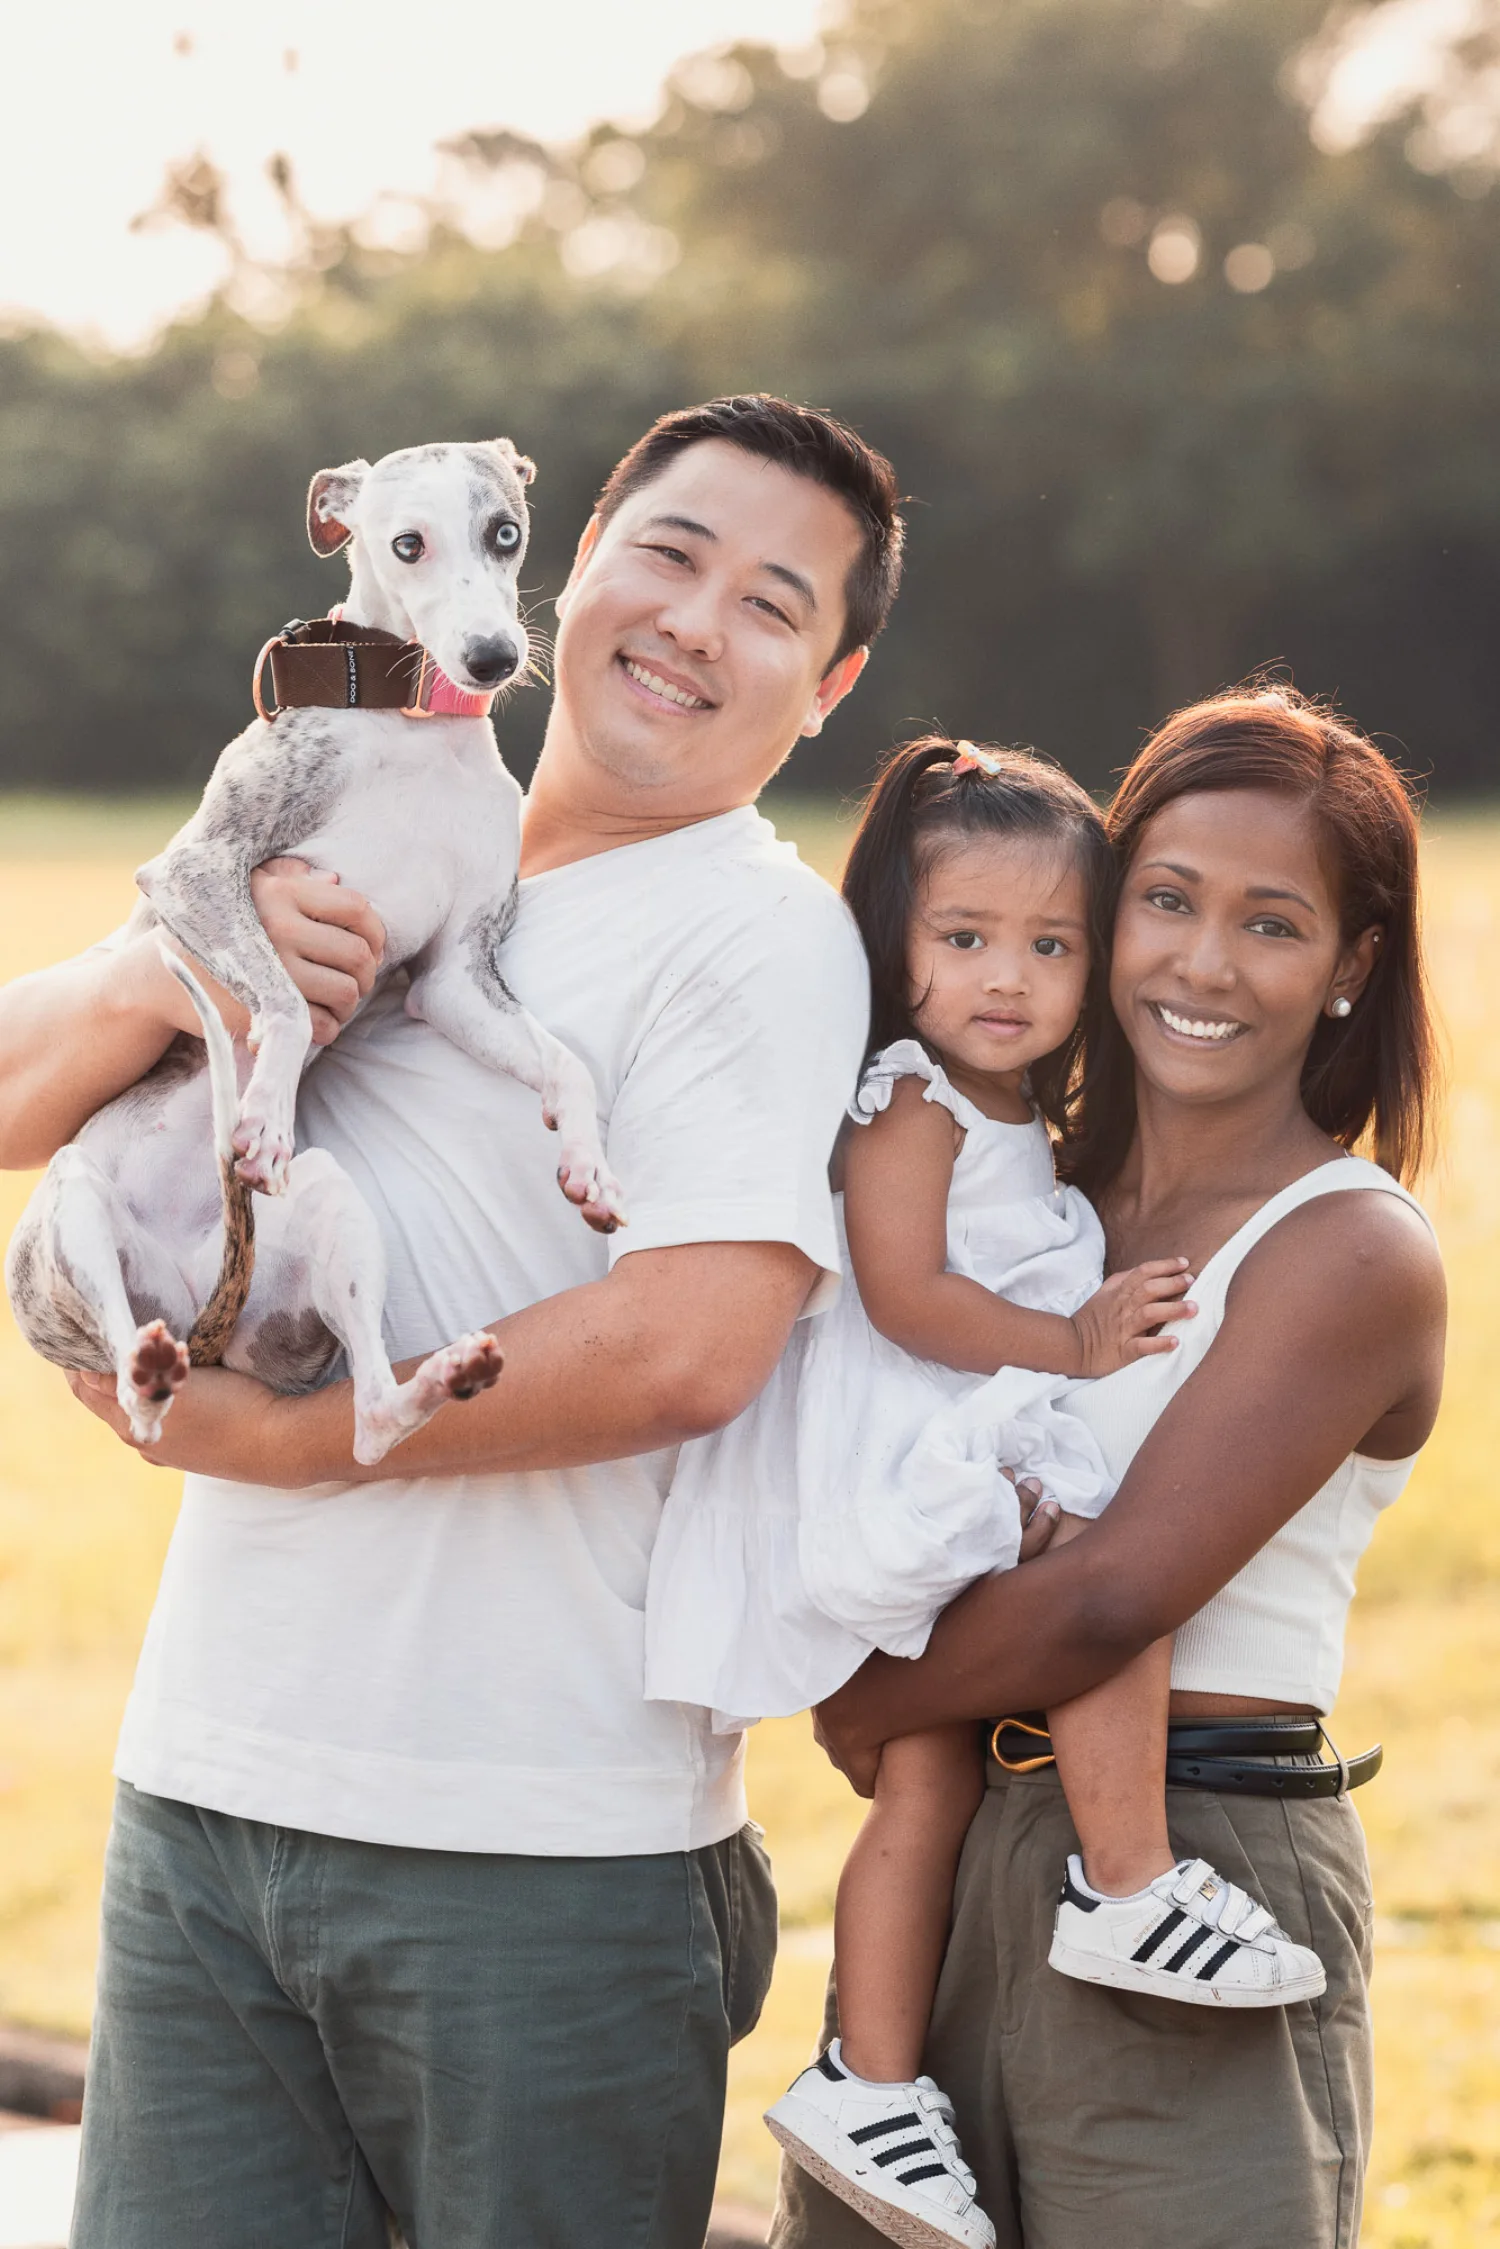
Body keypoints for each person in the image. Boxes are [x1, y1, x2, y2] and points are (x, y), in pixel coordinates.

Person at [0, 395, 903, 2249]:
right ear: (565, 563)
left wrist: (266, 1441)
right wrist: (175, 958)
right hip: (207, 1793)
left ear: (832, 683)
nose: (694, 620)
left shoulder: (753, 935)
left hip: (533, 1850)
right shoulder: (338, 817)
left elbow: (686, 1350)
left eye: (773, 604)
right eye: (669, 553)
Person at [774, 686, 1446, 2249]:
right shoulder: (1028, 1209)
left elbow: (1114, 1596)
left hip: (1191, 1856)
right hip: (952, 1862)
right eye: (1166, 901)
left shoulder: (1347, 1249)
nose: (1203, 964)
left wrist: (873, 1697)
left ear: (1350, 968)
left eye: (1273, 925)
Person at [646, 736, 1323, 2249]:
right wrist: (1074, 1345)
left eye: (1050, 945)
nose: (1006, 977)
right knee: (1113, 1568)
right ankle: (1130, 1875)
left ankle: (865, 2076)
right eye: (964, 940)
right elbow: (903, 1297)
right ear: (896, 944)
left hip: (957, 1432)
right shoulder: (910, 1103)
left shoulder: (1030, 1119)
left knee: (934, 1782)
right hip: (911, 1441)